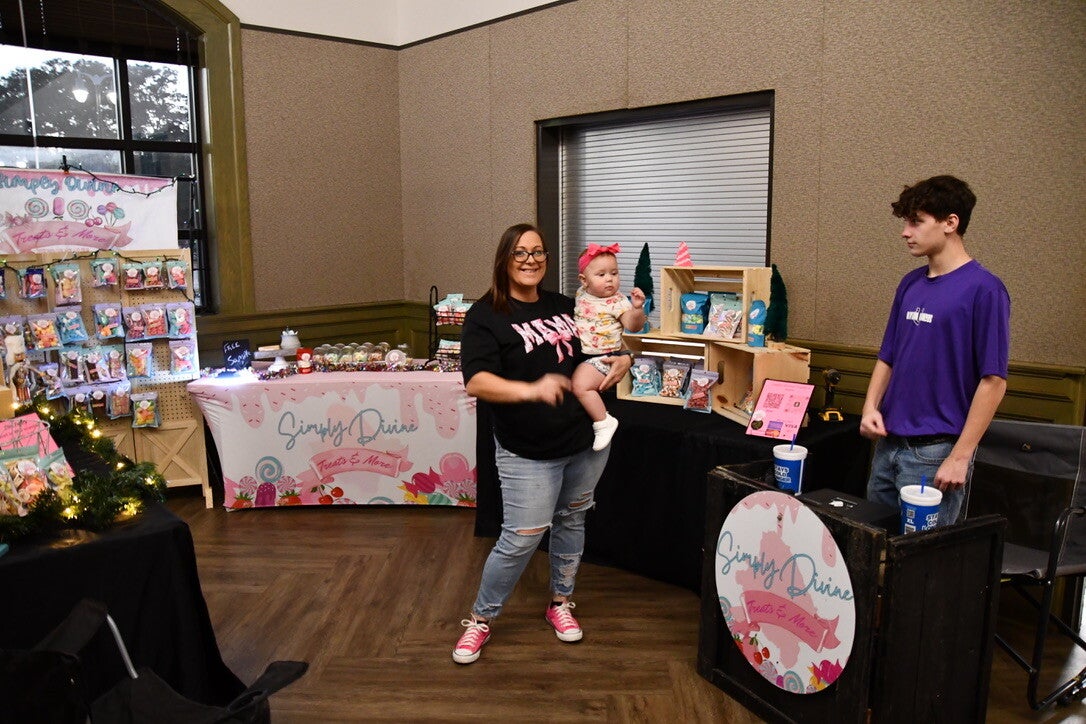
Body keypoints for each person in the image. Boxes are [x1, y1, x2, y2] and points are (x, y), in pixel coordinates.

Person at [452, 223, 633, 665]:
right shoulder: (485, 315)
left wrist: (625, 357)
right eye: (520, 252)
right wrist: (532, 389)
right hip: (527, 450)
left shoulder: (565, 305)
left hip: (584, 441)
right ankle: (481, 618)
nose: (530, 260)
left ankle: (560, 602)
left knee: (571, 522)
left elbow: (604, 341)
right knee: (521, 538)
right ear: (504, 259)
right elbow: (476, 381)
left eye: (538, 252)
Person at [861, 175, 1010, 526]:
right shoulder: (909, 283)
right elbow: (888, 356)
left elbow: (994, 381)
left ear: (950, 223)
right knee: (873, 544)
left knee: (922, 555)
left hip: (936, 452)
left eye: (916, 222)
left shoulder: (986, 290)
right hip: (888, 444)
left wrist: (960, 456)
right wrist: (869, 407)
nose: (905, 232)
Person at [572, 243, 646, 451]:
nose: (609, 279)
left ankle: (603, 422)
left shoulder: (618, 301)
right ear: (584, 281)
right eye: (601, 274)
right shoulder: (581, 294)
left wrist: (637, 309)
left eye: (614, 273)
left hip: (606, 356)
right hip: (586, 355)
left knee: (580, 385)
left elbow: (633, 325)